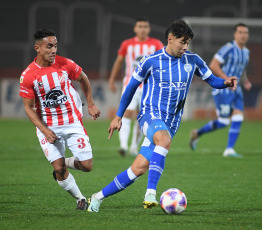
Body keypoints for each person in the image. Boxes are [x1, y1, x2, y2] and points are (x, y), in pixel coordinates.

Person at [87, 19, 237, 212]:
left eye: (187, 43)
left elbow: (212, 80)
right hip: (150, 115)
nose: (185, 47)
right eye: (182, 42)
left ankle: (97, 197)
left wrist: (225, 82)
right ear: (170, 38)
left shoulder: (193, 60)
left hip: (172, 122)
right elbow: (131, 87)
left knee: (138, 169)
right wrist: (118, 116)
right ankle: (150, 193)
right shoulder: (151, 61)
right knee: (164, 141)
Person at [19, 29, 101, 210]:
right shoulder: (28, 76)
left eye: (55, 46)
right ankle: (80, 199)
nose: (54, 50)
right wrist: (45, 130)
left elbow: (83, 78)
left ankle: (66, 162)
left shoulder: (65, 64)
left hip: (72, 121)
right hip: (48, 125)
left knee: (87, 166)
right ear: (37, 48)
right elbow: (29, 108)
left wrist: (90, 104)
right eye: (49, 46)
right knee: (58, 169)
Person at [189, 23, 252, 158]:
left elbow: (242, 69)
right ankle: (197, 133)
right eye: (240, 32)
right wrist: (226, 80)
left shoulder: (246, 52)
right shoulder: (228, 48)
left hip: (237, 89)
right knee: (224, 122)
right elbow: (213, 65)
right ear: (235, 34)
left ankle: (229, 149)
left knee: (238, 117)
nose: (243, 35)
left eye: (245, 32)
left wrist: (245, 80)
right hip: (224, 89)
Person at [108, 18, 164, 157]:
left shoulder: (156, 44)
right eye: (140, 26)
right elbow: (119, 62)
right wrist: (112, 79)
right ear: (135, 29)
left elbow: (162, 63)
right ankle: (123, 146)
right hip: (130, 84)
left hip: (148, 86)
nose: (143, 29)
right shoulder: (127, 44)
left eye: (145, 26)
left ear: (149, 29)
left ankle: (134, 146)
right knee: (126, 113)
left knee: (142, 116)